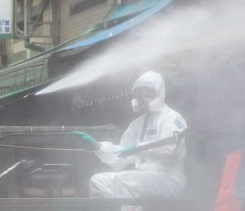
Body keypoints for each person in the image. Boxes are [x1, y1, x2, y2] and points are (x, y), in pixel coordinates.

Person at [77, 70, 188, 198]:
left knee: (126, 181)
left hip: (168, 179)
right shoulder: (137, 125)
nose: (143, 97)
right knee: (98, 181)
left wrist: (138, 149)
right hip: (142, 177)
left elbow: (169, 148)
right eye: (140, 93)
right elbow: (122, 155)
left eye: (148, 91)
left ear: (159, 92)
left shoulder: (172, 118)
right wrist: (99, 147)